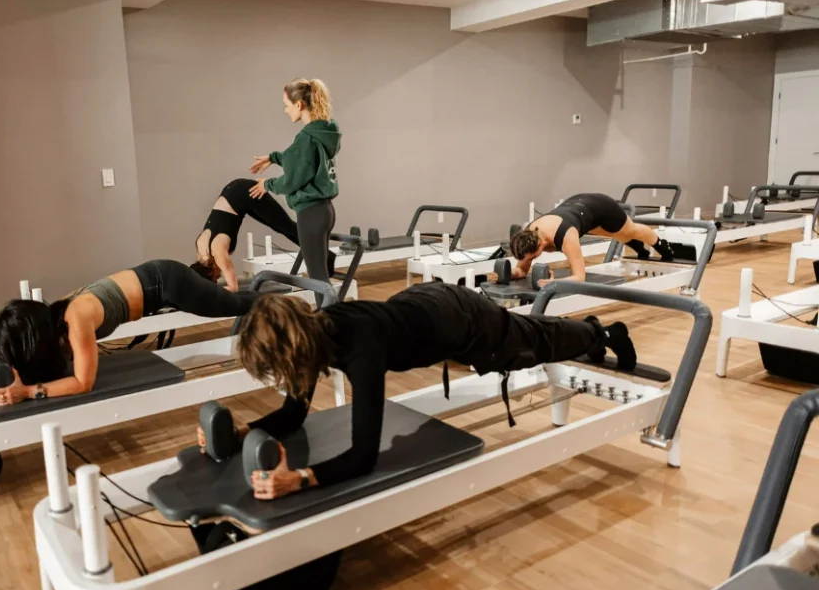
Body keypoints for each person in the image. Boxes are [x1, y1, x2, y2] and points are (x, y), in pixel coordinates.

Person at [198, 281, 638, 500]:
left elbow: (363, 456)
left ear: (293, 349)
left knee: (533, 346)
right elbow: (294, 415)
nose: (280, 378)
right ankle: (592, 333)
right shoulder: (318, 333)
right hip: (425, 307)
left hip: (462, 321)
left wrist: (301, 480)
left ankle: (602, 333)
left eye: (277, 368)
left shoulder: (360, 352)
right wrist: (242, 431)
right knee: (530, 335)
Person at [0, 259, 257, 407]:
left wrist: (26, 392)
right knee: (229, 300)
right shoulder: (56, 315)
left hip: (170, 283)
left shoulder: (75, 318)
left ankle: (288, 302)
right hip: (158, 279)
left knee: (238, 305)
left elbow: (83, 383)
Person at [249, 78, 340, 296]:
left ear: (299, 105)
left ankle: (330, 324)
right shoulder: (323, 133)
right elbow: (300, 160)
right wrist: (273, 158)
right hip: (325, 211)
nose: (285, 110)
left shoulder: (306, 138)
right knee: (320, 276)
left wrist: (268, 184)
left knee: (318, 278)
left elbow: (292, 180)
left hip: (311, 214)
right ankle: (330, 321)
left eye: (287, 105)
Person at [191, 178, 336, 292]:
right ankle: (320, 250)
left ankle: (327, 256)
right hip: (234, 192)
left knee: (285, 226)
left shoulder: (218, 253)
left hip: (246, 191)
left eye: (216, 278)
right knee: (279, 226)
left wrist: (212, 292)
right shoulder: (201, 250)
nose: (219, 276)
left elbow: (232, 288)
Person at [508, 193, 674, 286]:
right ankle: (638, 247)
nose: (530, 261)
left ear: (540, 244)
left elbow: (579, 277)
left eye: (532, 257)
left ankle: (662, 245)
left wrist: (554, 283)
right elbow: (521, 270)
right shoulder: (528, 234)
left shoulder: (566, 235)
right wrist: (509, 274)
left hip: (600, 206)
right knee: (616, 234)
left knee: (630, 231)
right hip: (577, 208)